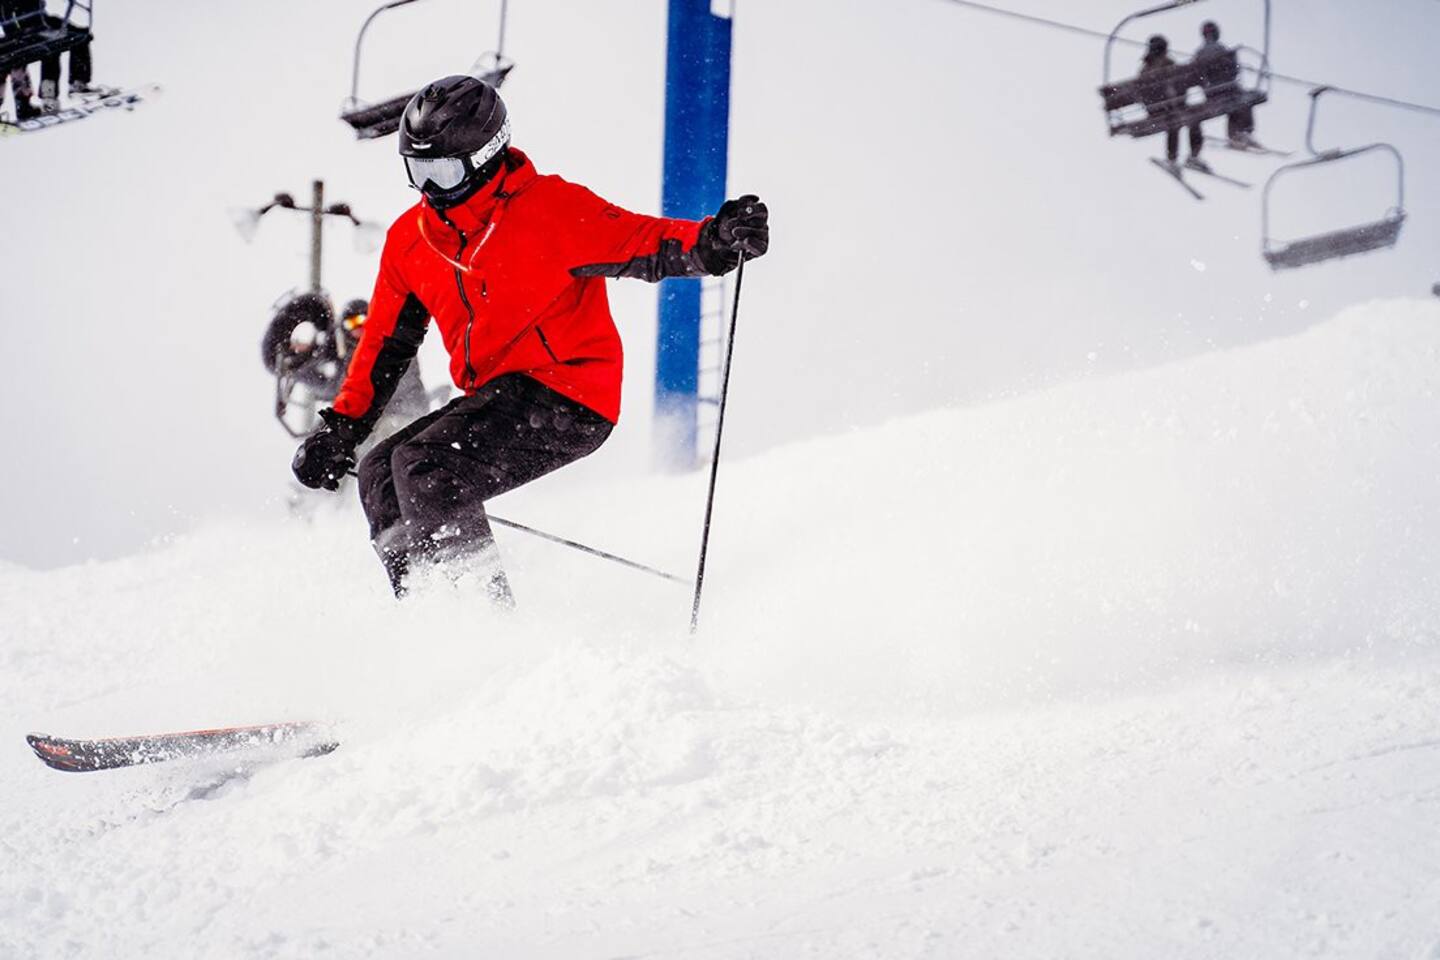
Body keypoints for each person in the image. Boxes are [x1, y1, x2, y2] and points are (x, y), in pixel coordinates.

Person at [291, 75, 768, 602]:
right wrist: (342, 429)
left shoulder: (551, 209)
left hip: (569, 396)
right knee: (381, 470)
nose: (430, 189)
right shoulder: (413, 240)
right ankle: (424, 611)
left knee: (426, 465)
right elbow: (384, 344)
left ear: (486, 156)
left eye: (443, 171)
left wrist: (716, 241)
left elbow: (646, 242)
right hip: (493, 397)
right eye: (417, 171)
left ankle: (480, 615)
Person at [1138, 35, 1203, 170]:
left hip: (1154, 110)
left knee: (1174, 123)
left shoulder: (1144, 69)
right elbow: (1180, 85)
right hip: (1170, 107)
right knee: (1189, 119)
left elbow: (1140, 93)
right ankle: (1193, 156)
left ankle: (1172, 159)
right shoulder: (1167, 63)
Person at [1194, 20, 1258, 151]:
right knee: (1245, 98)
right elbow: (1234, 71)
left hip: (1211, 93)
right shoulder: (1221, 49)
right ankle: (1243, 132)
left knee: (1234, 102)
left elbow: (1195, 76)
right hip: (1226, 90)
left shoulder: (1199, 53)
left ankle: (1235, 136)